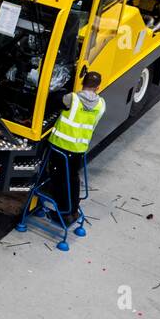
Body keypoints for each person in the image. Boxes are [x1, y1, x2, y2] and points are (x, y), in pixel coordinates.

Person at [44, 69, 106, 220]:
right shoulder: (101, 104)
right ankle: (73, 209)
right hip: (79, 149)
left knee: (59, 178)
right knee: (72, 178)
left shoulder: (72, 98)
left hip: (60, 146)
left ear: (82, 83)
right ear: (98, 87)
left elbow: (54, 99)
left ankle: (64, 212)